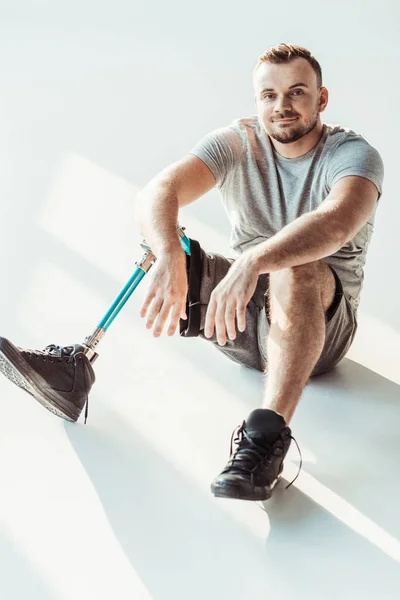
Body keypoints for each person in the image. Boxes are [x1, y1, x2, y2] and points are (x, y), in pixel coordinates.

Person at [0, 43, 384, 502]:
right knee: (164, 234)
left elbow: (336, 222)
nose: (281, 106)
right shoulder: (239, 142)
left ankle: (265, 440)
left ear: (321, 99)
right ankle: (76, 368)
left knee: (298, 266)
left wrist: (253, 259)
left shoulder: (353, 155)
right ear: (256, 99)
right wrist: (168, 255)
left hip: (321, 328)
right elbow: (159, 190)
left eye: (297, 93)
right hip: (241, 317)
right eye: (269, 95)